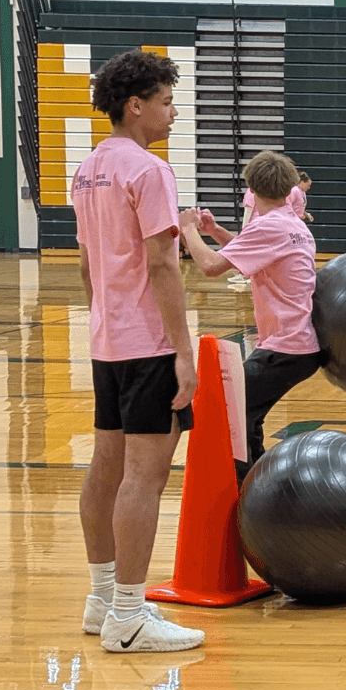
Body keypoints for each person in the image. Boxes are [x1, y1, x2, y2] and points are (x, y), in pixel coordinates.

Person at [72, 48, 204, 654]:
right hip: (148, 345)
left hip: (107, 342)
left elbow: (85, 267)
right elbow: (161, 262)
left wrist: (109, 315)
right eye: (167, 102)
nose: (173, 113)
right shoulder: (149, 171)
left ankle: (101, 599)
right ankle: (129, 612)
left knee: (107, 469)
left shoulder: (88, 168)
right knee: (144, 479)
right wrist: (182, 353)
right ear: (136, 106)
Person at [178, 150, 322, 483]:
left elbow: (212, 266)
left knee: (233, 413)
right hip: (296, 345)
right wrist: (214, 231)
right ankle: (257, 487)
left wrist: (189, 232)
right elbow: (246, 249)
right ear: (290, 189)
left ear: (250, 190)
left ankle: (247, 489)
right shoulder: (291, 225)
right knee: (247, 416)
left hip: (286, 348)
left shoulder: (270, 226)